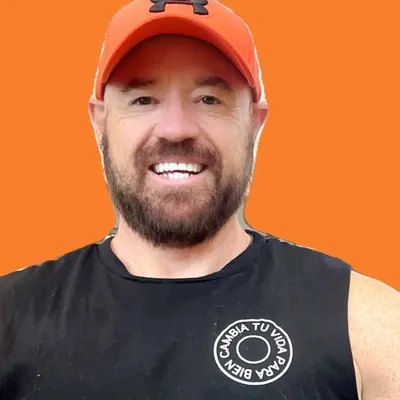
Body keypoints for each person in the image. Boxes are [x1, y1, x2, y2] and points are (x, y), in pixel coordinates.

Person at [0, 0, 399, 398]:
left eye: (209, 99)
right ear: (100, 122)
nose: (175, 129)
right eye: (143, 99)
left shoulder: (366, 325)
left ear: (254, 123)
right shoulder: (10, 316)